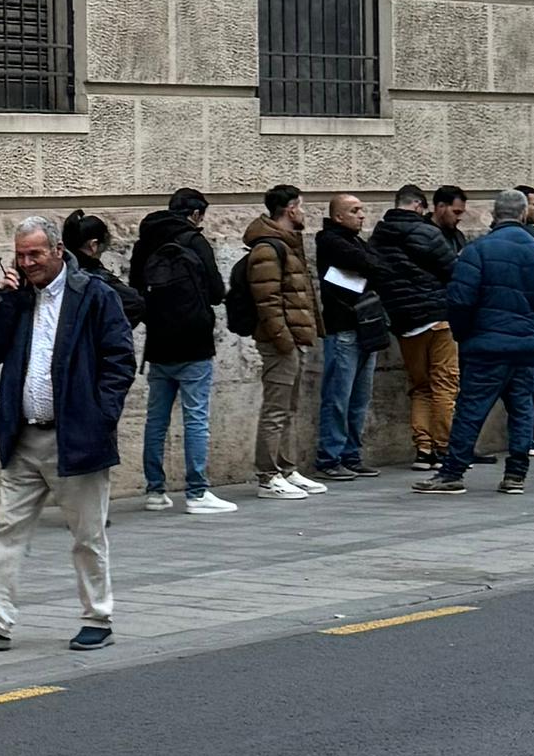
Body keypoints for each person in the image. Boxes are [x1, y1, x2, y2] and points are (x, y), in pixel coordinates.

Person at [0, 212, 132, 651]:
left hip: (75, 436)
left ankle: (98, 617)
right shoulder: (19, 297)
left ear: (59, 251)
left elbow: (119, 360)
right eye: (20, 256)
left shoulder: (91, 294)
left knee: (87, 535)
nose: (27, 263)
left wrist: (99, 416)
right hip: (24, 437)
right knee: (6, 530)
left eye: (35, 253)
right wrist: (2, 301)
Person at [432, 194, 534, 487]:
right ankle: (516, 474)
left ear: (494, 214)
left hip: (485, 345)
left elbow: (460, 299)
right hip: (525, 344)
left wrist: (464, 335)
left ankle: (453, 472)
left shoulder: (477, 250)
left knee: (471, 408)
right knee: (521, 408)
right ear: (522, 214)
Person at [129, 188, 230, 511]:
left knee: (156, 420)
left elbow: (134, 294)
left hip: (158, 344)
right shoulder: (195, 242)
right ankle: (197, 492)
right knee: (196, 418)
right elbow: (216, 292)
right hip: (195, 345)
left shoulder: (146, 242)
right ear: (197, 214)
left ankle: (155, 491)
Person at [230, 184, 322, 497]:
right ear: (290, 209)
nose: (305, 213)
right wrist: (283, 340)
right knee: (276, 408)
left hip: (294, 339)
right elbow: (268, 301)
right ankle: (268, 476)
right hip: (280, 342)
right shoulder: (269, 248)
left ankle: (287, 468)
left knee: (289, 408)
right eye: (302, 206)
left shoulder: (287, 244)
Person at [369, 185, 462, 467]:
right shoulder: (426, 231)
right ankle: (445, 448)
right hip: (437, 316)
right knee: (445, 384)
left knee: (420, 386)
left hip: (404, 321)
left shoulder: (378, 237)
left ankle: (424, 450)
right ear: (420, 206)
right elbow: (452, 269)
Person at [312, 193, 388, 474]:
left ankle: (351, 454)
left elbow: (377, 265)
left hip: (365, 327)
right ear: (338, 216)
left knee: (359, 399)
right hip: (343, 328)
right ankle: (330, 458)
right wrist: (371, 267)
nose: (361, 215)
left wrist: (371, 267)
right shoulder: (330, 241)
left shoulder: (355, 241)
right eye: (355, 210)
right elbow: (370, 265)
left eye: (362, 210)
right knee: (338, 397)